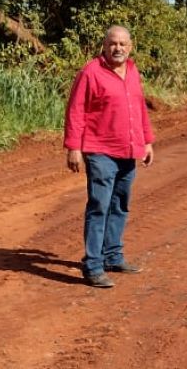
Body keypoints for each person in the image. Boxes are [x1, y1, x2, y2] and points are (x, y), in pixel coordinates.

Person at [64, 25, 155, 288]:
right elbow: (76, 111)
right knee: (99, 206)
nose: (118, 48)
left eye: (123, 44)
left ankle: (112, 256)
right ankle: (92, 265)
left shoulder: (133, 71)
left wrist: (146, 141)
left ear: (131, 46)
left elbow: (139, 108)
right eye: (113, 43)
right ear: (104, 46)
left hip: (128, 150)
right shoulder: (90, 72)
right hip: (100, 151)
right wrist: (74, 147)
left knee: (120, 205)